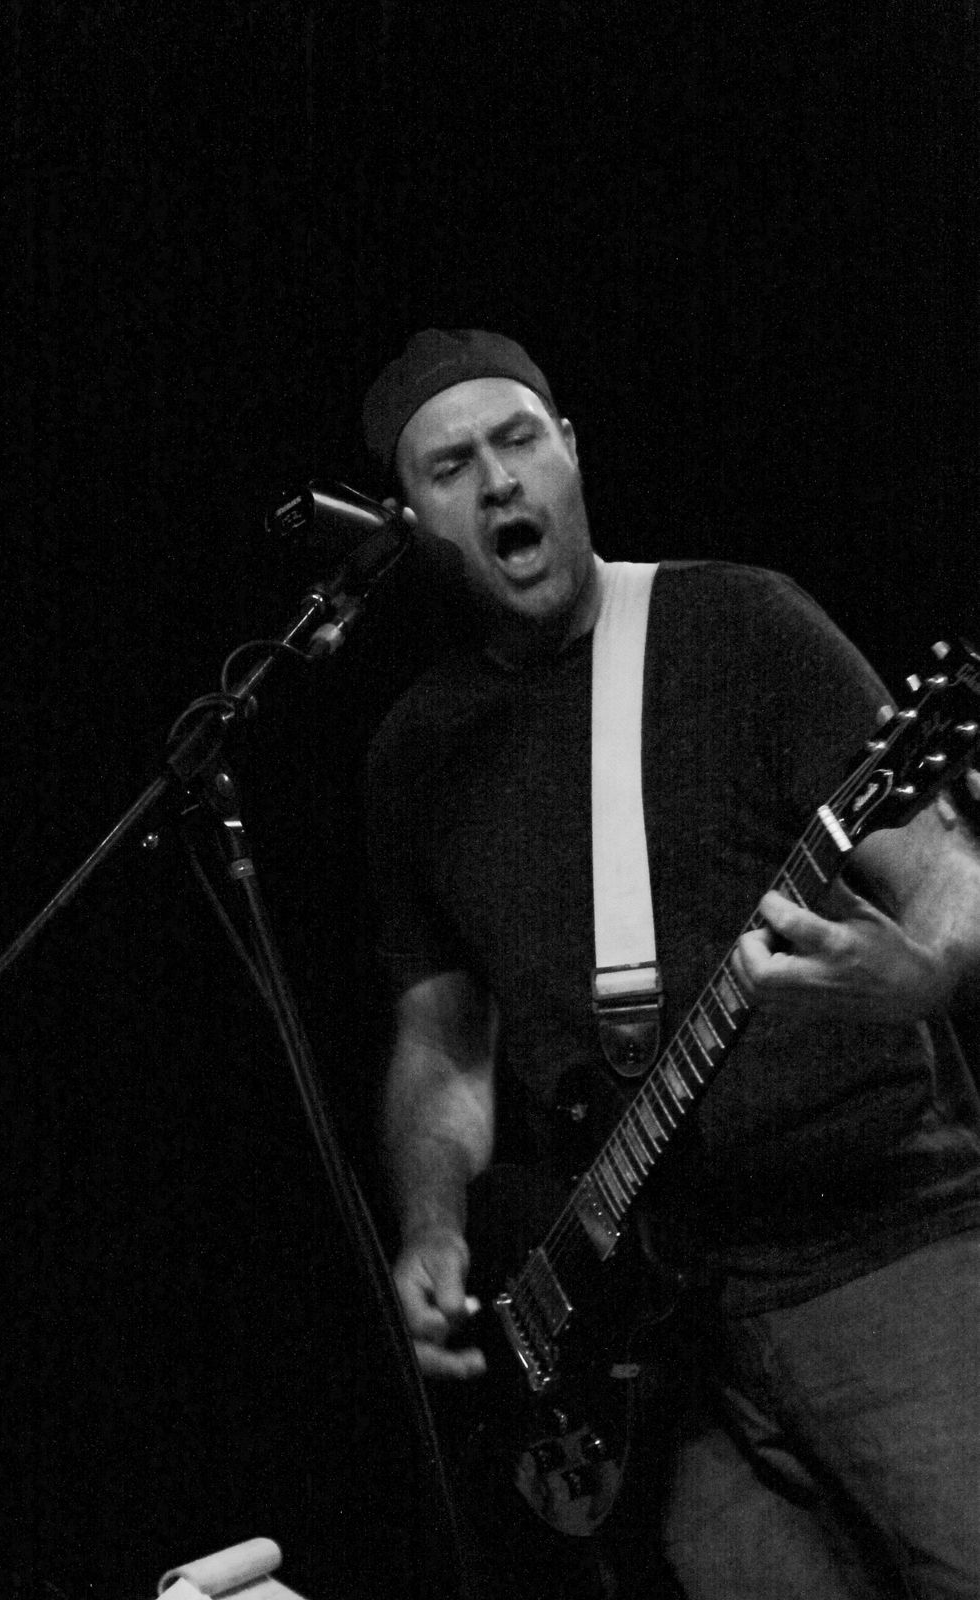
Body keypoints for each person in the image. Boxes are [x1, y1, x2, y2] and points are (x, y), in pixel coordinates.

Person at [358, 328, 980, 1599]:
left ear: (571, 451)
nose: (498, 480)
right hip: (652, 1349)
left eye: (519, 439)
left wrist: (925, 972)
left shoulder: (739, 622)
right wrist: (429, 1224)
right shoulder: (415, 752)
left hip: (879, 1247)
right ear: (410, 521)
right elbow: (442, 1039)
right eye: (451, 466)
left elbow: (942, 870)